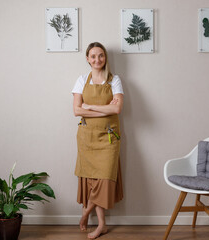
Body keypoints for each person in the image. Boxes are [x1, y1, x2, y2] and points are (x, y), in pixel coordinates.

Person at [72, 42, 124, 239]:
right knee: (92, 180)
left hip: (109, 137)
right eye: (93, 56)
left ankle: (85, 213)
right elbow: (77, 110)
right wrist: (104, 108)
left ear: (105, 57)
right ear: (87, 58)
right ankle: (102, 224)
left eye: (100, 55)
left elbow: (117, 109)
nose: (97, 59)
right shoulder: (81, 80)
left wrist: (90, 107)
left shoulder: (115, 80)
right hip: (87, 138)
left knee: (104, 179)